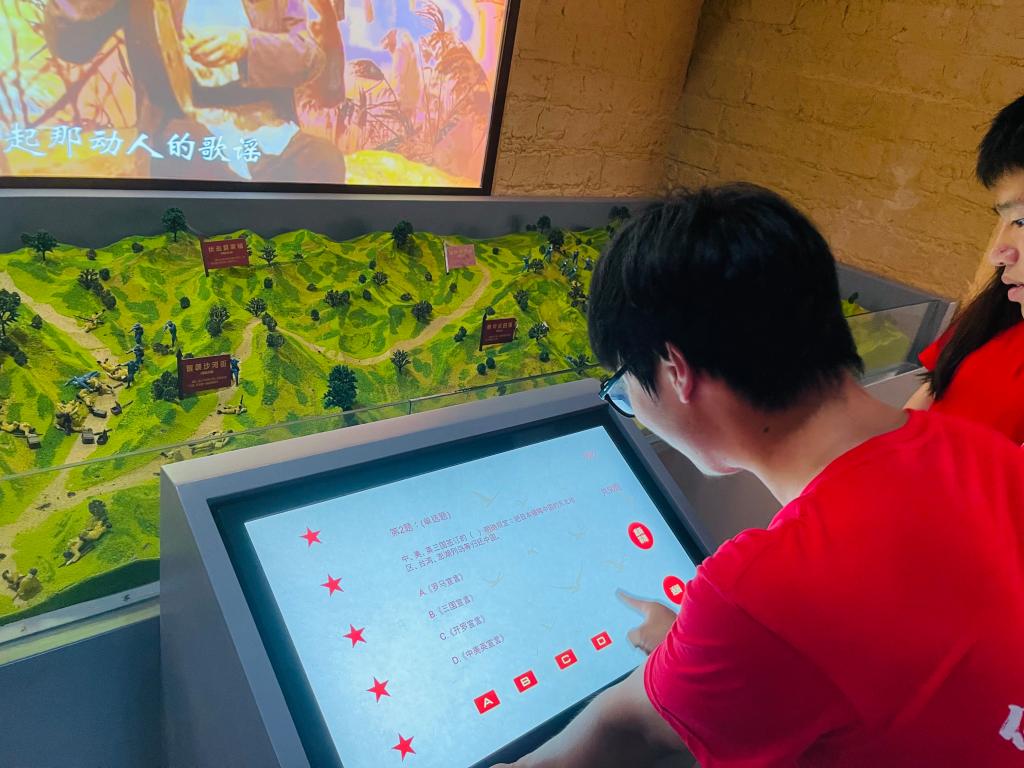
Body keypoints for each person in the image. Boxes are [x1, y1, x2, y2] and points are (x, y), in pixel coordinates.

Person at [495, 185, 1024, 768]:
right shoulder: (986, 452)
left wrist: (713, 640)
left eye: (624, 387)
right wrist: (698, 653)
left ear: (675, 371)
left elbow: (624, 731)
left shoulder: (760, 593)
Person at [43, 0, 346, 183]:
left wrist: (246, 45)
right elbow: (71, 43)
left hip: (268, 133)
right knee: (195, 157)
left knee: (322, 159)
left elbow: (309, 55)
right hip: (183, 129)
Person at [905, 95, 1024, 445]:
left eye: (1022, 221)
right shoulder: (998, 312)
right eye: (1003, 221)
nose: (998, 254)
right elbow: (930, 392)